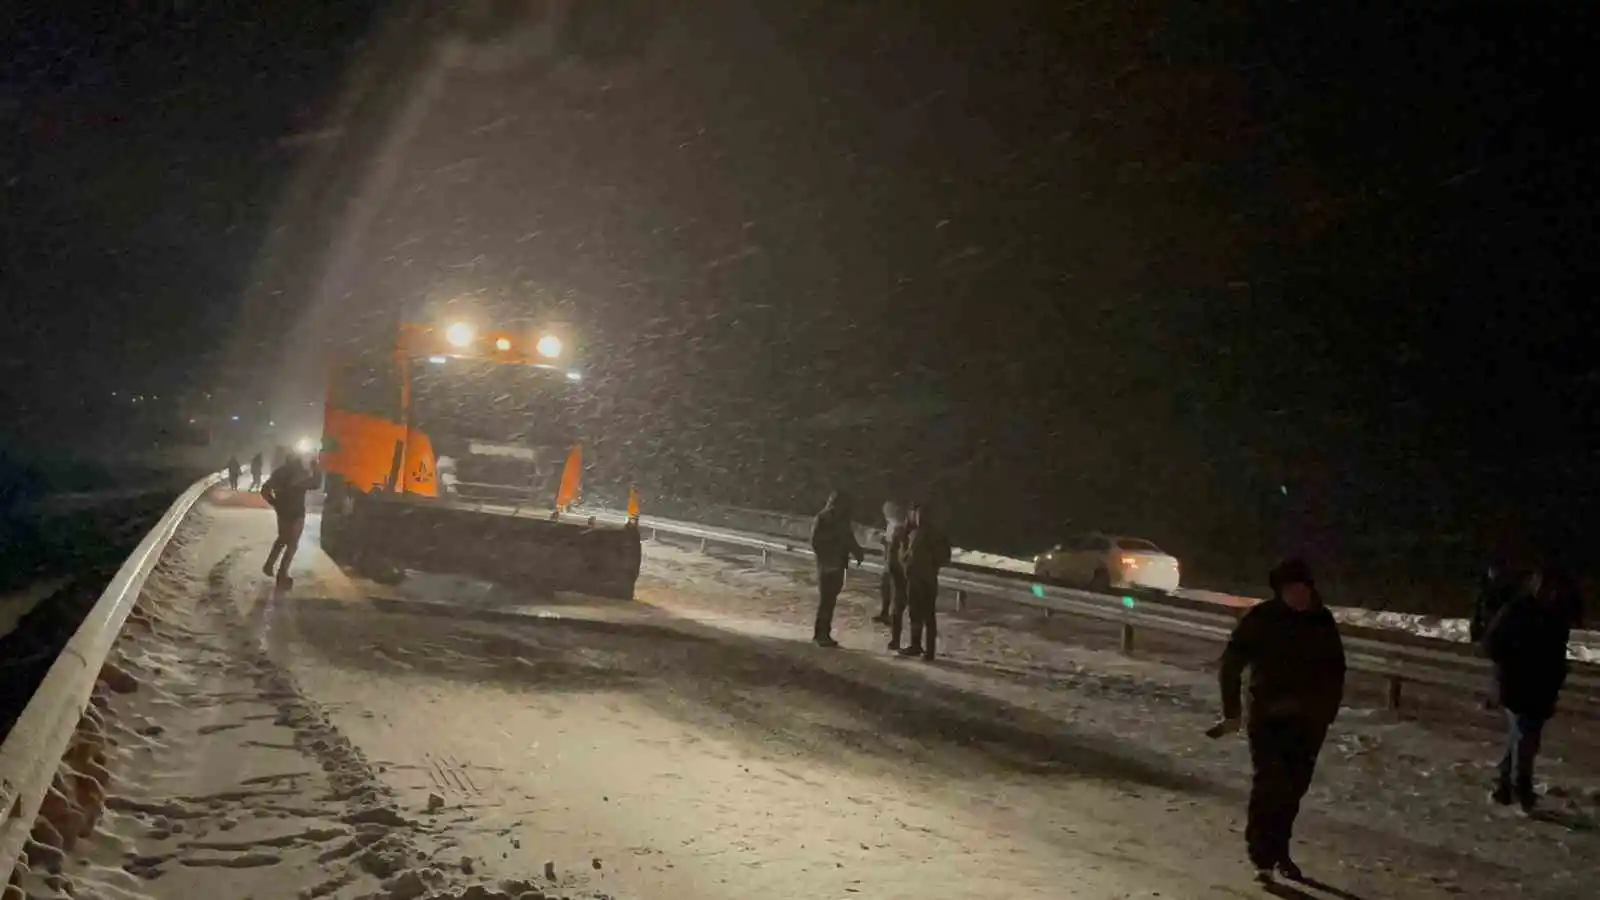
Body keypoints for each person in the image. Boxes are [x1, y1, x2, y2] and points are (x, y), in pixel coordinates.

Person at [1212, 558, 1346, 884]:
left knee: (1294, 788)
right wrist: (1232, 711)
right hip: (1268, 717)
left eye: (1301, 589)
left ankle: (1281, 850)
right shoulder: (1262, 618)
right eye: (1290, 591)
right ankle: (1262, 856)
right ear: (1280, 592)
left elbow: (1336, 669)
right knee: (1270, 785)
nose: (1297, 596)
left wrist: (1326, 712)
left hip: (1309, 721)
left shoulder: (1321, 620)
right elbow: (1231, 664)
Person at [1483, 566, 1578, 812]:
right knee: (1526, 738)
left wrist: (1556, 677)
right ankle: (1521, 790)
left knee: (1521, 736)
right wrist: (1516, 663)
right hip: (1518, 683)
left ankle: (1505, 786)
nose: (1552, 592)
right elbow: (1493, 643)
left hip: (1541, 686)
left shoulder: (1556, 615)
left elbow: (1557, 652)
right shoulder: (1518, 610)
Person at [809, 491, 864, 648]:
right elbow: (815, 542)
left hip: (839, 564)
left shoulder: (843, 519)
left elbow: (849, 538)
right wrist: (828, 554)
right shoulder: (822, 518)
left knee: (830, 600)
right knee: (826, 600)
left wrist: (857, 552)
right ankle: (820, 634)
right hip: (827, 564)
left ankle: (824, 633)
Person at [897, 503, 951, 660]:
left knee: (920, 614)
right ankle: (925, 648)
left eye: (920, 514)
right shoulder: (936, 534)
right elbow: (945, 557)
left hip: (919, 579)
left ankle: (921, 647)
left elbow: (906, 557)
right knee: (924, 614)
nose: (918, 518)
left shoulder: (918, 534)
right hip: (925, 578)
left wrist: (904, 540)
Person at [261, 454, 318, 586]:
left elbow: (264, 490)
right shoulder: (301, 474)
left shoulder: (279, 473)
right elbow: (315, 484)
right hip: (296, 512)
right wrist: (316, 468)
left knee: (282, 538)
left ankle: (269, 565)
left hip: (282, 512)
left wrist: (275, 503)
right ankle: (282, 574)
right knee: (292, 544)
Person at [874, 501, 907, 627]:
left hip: (896, 564)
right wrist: (883, 540)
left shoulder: (900, 527)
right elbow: (889, 543)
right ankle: (885, 613)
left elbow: (898, 546)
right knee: (885, 587)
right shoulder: (891, 526)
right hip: (889, 562)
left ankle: (894, 616)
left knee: (897, 590)